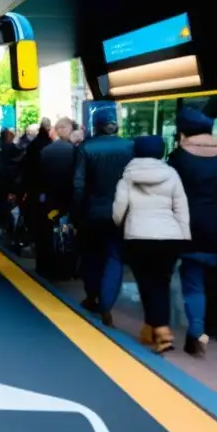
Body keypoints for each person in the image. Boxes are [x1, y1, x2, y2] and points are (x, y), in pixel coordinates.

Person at [168, 107, 217, 356]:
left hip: (185, 226)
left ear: (183, 131)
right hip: (216, 227)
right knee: (213, 279)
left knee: (192, 281)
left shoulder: (178, 157)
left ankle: (196, 331)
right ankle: (215, 326)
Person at [113, 136, 191, 353]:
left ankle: (162, 330)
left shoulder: (128, 175)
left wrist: (121, 223)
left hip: (138, 235)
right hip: (169, 237)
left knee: (146, 283)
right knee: (160, 283)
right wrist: (184, 235)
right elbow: (181, 207)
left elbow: (119, 207)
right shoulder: (172, 174)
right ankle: (151, 328)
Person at [72, 107, 134, 324]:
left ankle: (92, 296)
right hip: (121, 212)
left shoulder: (85, 148)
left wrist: (76, 214)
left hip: (91, 212)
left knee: (90, 256)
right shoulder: (129, 147)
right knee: (114, 256)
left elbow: (78, 185)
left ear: (95, 124)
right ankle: (107, 304)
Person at [36, 117, 77, 278]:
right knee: (68, 234)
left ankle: (49, 267)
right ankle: (67, 267)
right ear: (63, 129)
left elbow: (39, 177)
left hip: (50, 199)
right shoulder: (74, 151)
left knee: (48, 233)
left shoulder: (45, 151)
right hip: (68, 197)